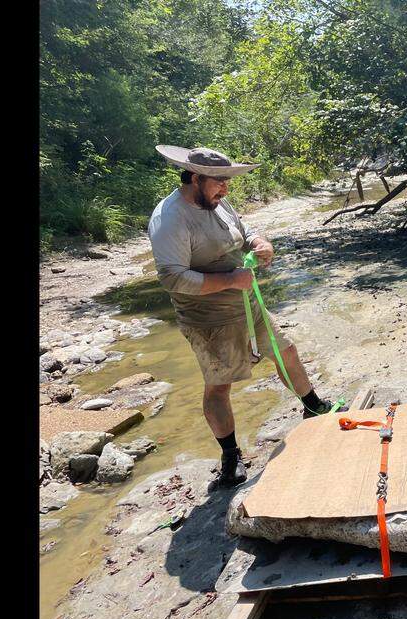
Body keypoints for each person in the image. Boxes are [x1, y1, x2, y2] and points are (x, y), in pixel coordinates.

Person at [148, 145, 345, 489]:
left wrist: (258, 242)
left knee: (286, 351)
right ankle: (230, 458)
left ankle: (313, 407)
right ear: (195, 178)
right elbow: (173, 278)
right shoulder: (170, 218)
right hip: (208, 318)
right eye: (219, 182)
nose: (226, 189)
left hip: (246, 302)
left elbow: (242, 230)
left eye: (227, 181)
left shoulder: (216, 201)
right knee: (219, 386)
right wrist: (229, 280)